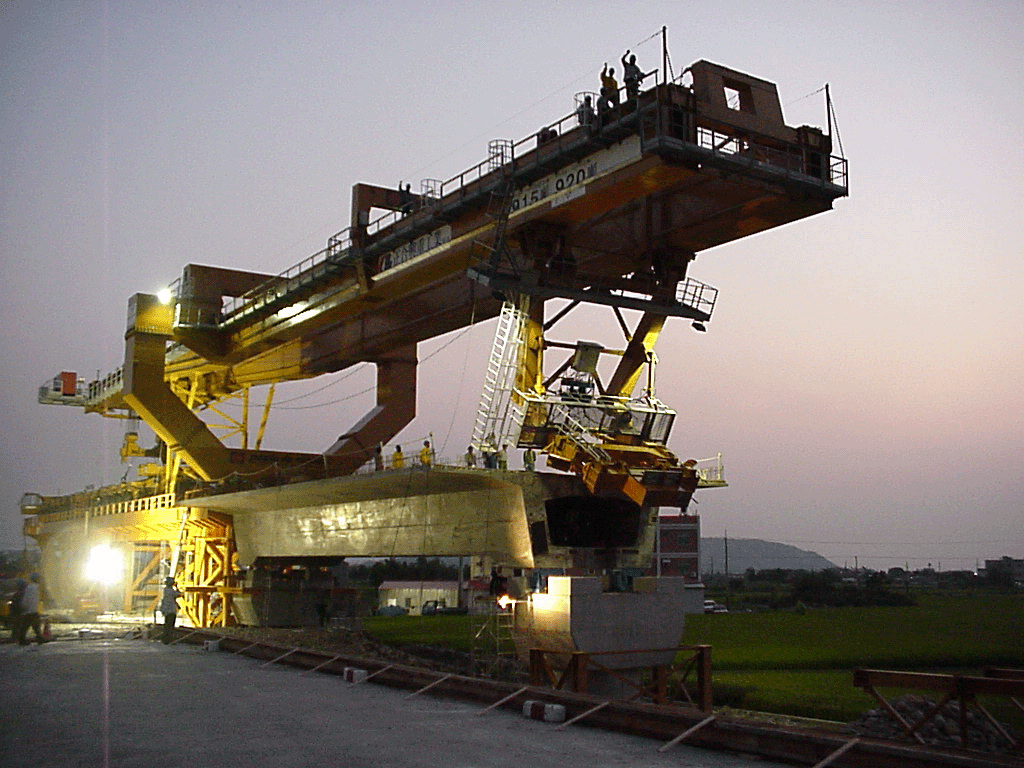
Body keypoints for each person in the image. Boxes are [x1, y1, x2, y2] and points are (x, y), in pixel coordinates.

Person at [15, 573, 43, 645]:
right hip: (31, 610)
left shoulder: (29, 587)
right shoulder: (35, 587)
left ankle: (38, 637)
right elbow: (32, 600)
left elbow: (26, 599)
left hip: (29, 609)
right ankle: (24, 639)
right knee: (30, 624)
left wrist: (24, 606)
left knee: (31, 624)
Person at [159, 577, 182, 645]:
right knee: (170, 625)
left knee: (167, 624)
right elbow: (179, 594)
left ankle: (165, 639)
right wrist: (177, 587)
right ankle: (168, 639)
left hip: (167, 610)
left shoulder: (166, 590)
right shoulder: (170, 591)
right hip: (171, 610)